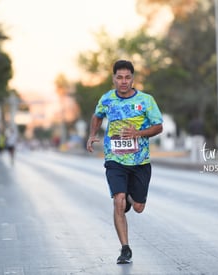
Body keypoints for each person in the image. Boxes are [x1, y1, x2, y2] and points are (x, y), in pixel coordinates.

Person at [86, 60, 163, 264]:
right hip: (115, 159)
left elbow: (158, 127)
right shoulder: (107, 99)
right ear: (113, 78)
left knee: (138, 207)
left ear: (133, 79)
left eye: (127, 77)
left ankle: (129, 196)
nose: (123, 81)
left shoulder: (146, 101)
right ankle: (125, 248)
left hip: (140, 161)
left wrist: (138, 133)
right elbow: (97, 116)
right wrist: (92, 134)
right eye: (119, 77)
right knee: (118, 200)